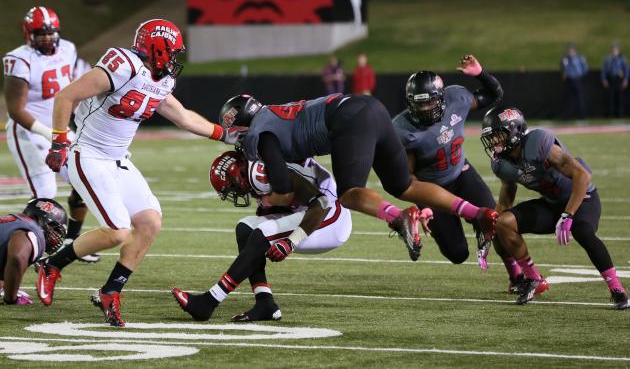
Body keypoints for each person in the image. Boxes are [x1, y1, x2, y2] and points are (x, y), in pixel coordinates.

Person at [35, 19, 244, 327]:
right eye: (172, 52)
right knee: (117, 230)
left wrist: (225, 135)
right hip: (88, 155)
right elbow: (67, 96)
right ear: (158, 49)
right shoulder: (122, 65)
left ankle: (110, 291)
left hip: (119, 159)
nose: (175, 59)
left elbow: (183, 117)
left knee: (149, 222)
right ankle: (52, 264)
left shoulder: (161, 80)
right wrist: (58, 140)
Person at [218, 92, 498, 265]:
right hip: (370, 107)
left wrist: (267, 200)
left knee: (350, 193)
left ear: (241, 124)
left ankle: (398, 217)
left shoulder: (260, 134)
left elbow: (280, 184)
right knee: (404, 185)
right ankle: (477, 212)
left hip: (347, 119)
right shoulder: (271, 115)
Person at [173, 150, 364, 321]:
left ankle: (209, 301)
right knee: (246, 228)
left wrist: (291, 241)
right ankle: (265, 303)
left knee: (264, 232)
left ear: (239, 175)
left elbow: (321, 203)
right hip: (311, 212)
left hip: (330, 216)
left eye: (232, 187)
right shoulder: (256, 173)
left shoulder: (261, 173)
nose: (234, 193)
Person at [481, 106, 629, 309]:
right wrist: (491, 225)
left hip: (582, 198)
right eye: (491, 138)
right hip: (552, 204)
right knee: (504, 223)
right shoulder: (502, 164)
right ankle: (534, 279)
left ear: (514, 130)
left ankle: (617, 290)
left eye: (498, 135)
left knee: (583, 232)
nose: (494, 142)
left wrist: (569, 214)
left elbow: (582, 175)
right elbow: (507, 194)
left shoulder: (538, 143)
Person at [392, 54, 508, 270]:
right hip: (432, 190)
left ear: (441, 98)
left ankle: (519, 276)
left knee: (496, 224)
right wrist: (424, 205)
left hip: (461, 174)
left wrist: (481, 74)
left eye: (430, 102)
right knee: (457, 253)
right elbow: (407, 177)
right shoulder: (403, 131)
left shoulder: (457, 99)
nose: (426, 108)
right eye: (420, 103)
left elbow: (494, 95)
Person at [2, 7, 98, 263]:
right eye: (40, 33)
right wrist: (49, 133)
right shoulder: (19, 60)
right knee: (45, 192)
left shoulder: (68, 48)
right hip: (29, 132)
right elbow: (15, 109)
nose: (47, 38)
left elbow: (70, 90)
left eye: (51, 32)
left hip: (58, 127)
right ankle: (32, 249)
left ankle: (72, 241)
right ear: (28, 34)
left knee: (84, 175)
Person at [0, 198, 67, 305]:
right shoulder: (33, 231)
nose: (56, 237)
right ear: (41, 218)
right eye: (55, 229)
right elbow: (17, 257)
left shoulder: (15, 220)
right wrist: (11, 298)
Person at [560, 44, 588, 119]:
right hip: (568, 80)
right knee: (568, 98)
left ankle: (582, 115)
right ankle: (567, 116)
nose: (570, 52)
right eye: (569, 50)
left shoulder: (579, 58)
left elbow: (585, 68)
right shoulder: (565, 59)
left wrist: (580, 75)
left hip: (577, 79)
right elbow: (562, 68)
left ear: (575, 51)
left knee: (580, 98)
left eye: (572, 50)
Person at [601, 43, 629, 118]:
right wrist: (604, 79)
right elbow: (604, 70)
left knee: (619, 97)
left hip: (619, 79)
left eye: (615, 50)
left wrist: (626, 80)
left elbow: (626, 70)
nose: (614, 51)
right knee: (611, 97)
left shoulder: (622, 59)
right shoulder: (608, 59)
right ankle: (611, 114)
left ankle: (620, 115)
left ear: (618, 51)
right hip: (611, 79)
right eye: (613, 49)